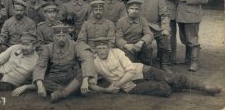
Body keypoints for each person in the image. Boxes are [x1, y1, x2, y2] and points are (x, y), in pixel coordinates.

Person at [89, 37, 222, 97]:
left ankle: (203, 87)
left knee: (170, 78)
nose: (102, 51)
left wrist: (116, 85)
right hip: (131, 87)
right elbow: (91, 84)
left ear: (109, 47)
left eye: (104, 48)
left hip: (140, 71)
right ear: (95, 49)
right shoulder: (94, 62)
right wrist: (105, 90)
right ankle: (173, 85)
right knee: (164, 89)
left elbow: (130, 71)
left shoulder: (117, 52)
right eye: (99, 48)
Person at [32, 25, 95, 103]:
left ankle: (61, 94)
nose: (61, 39)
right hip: (55, 78)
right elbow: (40, 66)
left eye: (64, 36)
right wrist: (40, 85)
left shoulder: (75, 45)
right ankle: (72, 90)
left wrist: (85, 81)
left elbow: (87, 59)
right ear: (53, 37)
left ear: (68, 36)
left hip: (72, 76)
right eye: (58, 36)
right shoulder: (47, 48)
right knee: (42, 81)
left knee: (83, 75)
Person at [132, 0, 172, 73]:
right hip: (141, 28)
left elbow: (165, 15)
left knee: (165, 39)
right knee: (147, 46)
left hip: (155, 27)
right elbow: (131, 15)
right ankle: (145, 66)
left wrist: (165, 28)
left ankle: (164, 64)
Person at [176, 0, 209, 72]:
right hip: (182, 15)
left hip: (192, 16)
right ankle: (187, 60)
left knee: (192, 40)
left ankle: (194, 63)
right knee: (185, 39)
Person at [155, 0, 181, 64]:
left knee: (170, 36)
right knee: (160, 35)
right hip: (159, 11)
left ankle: (171, 58)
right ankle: (161, 57)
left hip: (170, 12)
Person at [116, 0, 154, 65]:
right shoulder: (121, 21)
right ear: (128, 10)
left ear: (139, 11)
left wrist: (141, 42)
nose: (134, 11)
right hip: (127, 46)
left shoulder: (142, 20)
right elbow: (118, 38)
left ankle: (146, 66)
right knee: (130, 65)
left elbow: (149, 34)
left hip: (139, 45)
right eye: (132, 8)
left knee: (148, 47)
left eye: (136, 9)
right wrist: (126, 45)